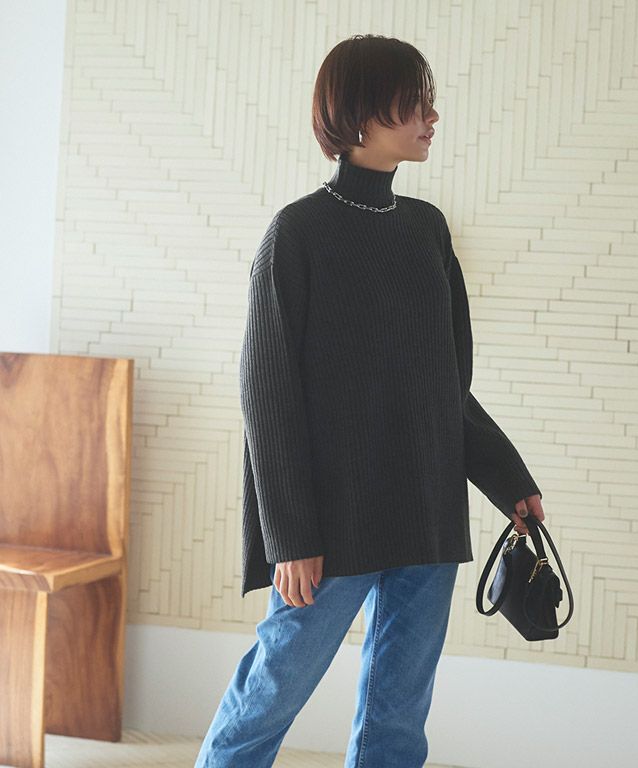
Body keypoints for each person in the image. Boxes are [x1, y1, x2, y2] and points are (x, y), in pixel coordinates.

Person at [194, 33, 545, 768]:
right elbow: (267, 395)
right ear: (359, 113)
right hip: (331, 522)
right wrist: (289, 534)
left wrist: (508, 480)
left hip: (426, 511)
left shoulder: (426, 230)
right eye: (414, 103)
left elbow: (445, 384)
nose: (431, 117)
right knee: (269, 696)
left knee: (399, 719)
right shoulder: (297, 233)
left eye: (428, 103)